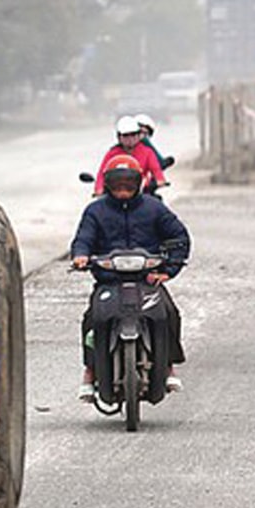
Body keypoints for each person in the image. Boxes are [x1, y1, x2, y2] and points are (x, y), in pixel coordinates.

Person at [72, 153, 191, 401]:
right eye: (117, 185)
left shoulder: (154, 208)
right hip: (109, 281)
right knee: (91, 319)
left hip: (147, 279)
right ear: (108, 184)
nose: (123, 190)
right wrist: (81, 256)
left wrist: (168, 270)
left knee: (169, 313)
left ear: (138, 183)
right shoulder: (95, 211)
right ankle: (90, 371)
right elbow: (83, 238)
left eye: (128, 184)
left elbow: (179, 237)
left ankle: (168, 365)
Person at [93, 115, 169, 195]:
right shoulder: (112, 153)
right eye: (126, 135)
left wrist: (160, 180)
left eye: (133, 134)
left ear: (138, 135)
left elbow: (156, 169)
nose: (130, 139)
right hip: (116, 194)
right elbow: (102, 173)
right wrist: (99, 189)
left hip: (142, 193)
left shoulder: (147, 152)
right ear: (119, 137)